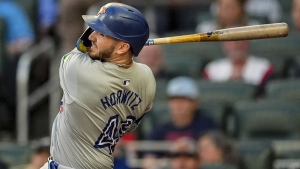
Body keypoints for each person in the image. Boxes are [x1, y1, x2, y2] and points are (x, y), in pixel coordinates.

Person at [40, 2, 156, 169]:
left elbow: (81, 45)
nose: (92, 36)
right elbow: (131, 126)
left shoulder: (79, 71)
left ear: (123, 47)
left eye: (102, 33)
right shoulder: (147, 78)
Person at [142, 76, 218, 169]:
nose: (178, 104)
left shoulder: (207, 125)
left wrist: (192, 148)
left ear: (195, 103)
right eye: (174, 100)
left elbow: (215, 158)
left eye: (184, 99)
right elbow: (148, 162)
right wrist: (173, 155)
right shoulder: (159, 129)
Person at [203, 40, 274, 96]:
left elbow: (265, 96)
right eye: (231, 41)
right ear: (224, 44)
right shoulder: (213, 68)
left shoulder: (264, 67)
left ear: (247, 43)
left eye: (239, 41)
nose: (236, 45)